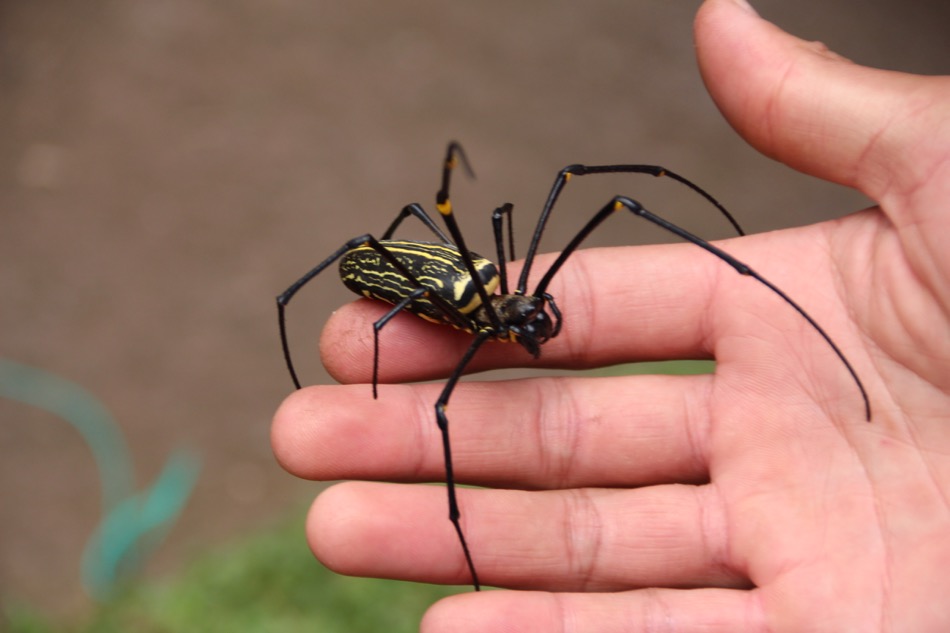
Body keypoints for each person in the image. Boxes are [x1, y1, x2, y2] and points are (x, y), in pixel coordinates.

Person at [272, 0, 950, 629]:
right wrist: (393, 320)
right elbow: (417, 364)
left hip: (458, 278)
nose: (536, 316)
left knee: (598, 190)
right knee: (438, 390)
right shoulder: (470, 311)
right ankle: (467, 560)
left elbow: (596, 196)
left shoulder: (518, 294)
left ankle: (739, 261)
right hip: (399, 274)